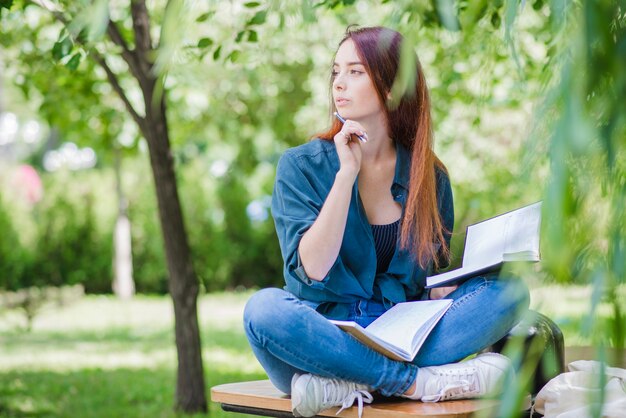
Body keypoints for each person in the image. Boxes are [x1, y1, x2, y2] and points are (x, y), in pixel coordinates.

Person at [243, 25, 530, 418]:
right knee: (263, 310)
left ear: (392, 89)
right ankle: (412, 383)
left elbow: (424, 283)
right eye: (335, 72)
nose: (339, 84)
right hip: (323, 337)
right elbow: (312, 268)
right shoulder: (300, 167)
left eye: (355, 72)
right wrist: (346, 175)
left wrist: (449, 288)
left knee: (509, 293)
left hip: (403, 334)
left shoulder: (429, 177)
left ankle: (345, 385)